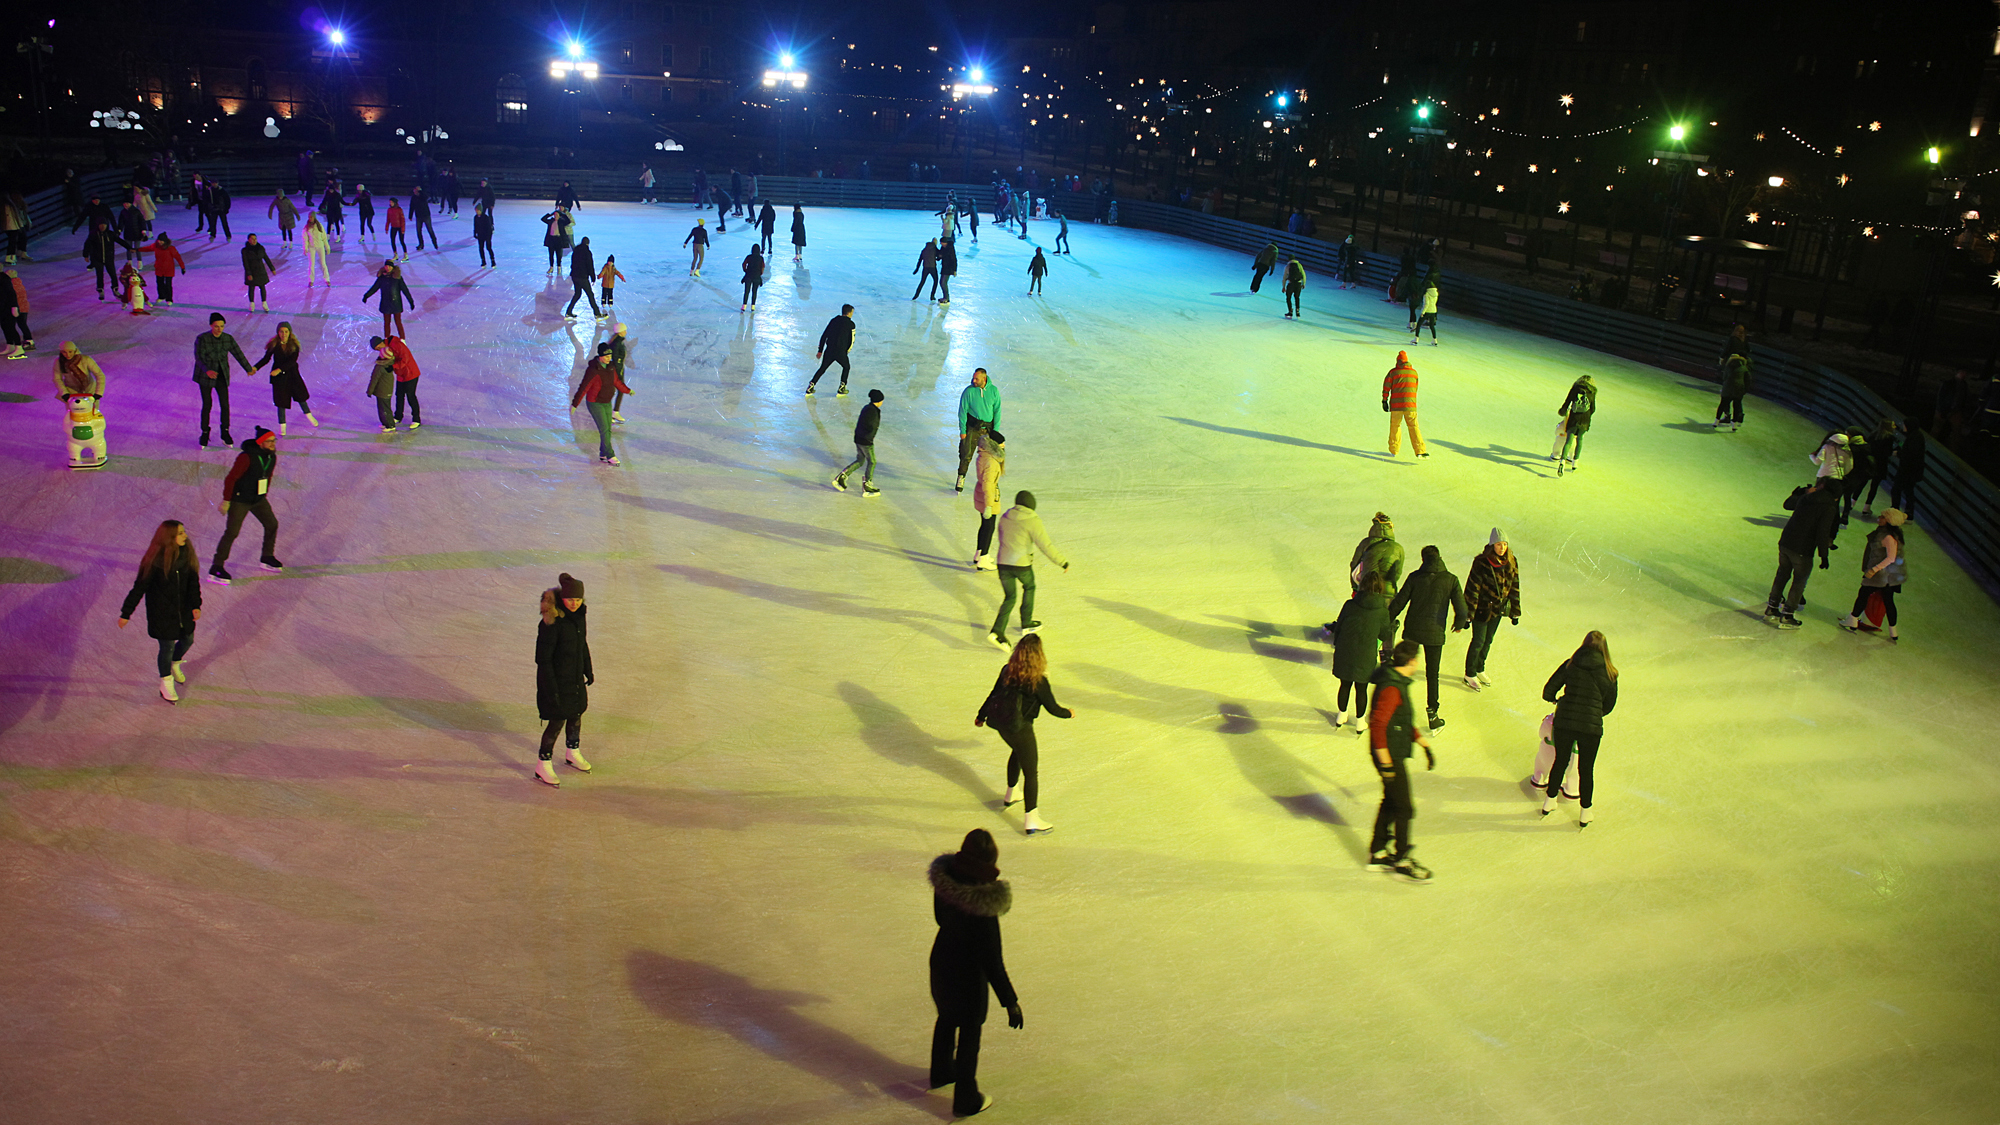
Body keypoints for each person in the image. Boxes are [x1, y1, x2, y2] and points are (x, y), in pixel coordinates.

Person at [926, 827, 1024, 1118]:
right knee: (970, 1035)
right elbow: (992, 960)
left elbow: (939, 918)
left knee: (945, 1018)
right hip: (968, 977)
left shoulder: (945, 884)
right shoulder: (983, 907)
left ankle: (941, 1071)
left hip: (942, 961)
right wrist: (1010, 1002)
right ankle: (966, 1098)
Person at [976, 633, 1073, 835]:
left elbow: (993, 694)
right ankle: (1032, 818)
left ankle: (1012, 792)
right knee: (1031, 772)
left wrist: (981, 716)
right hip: (1021, 728)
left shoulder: (1007, 671)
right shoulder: (1038, 681)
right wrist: (1069, 713)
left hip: (1002, 725)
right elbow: (1053, 708)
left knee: (1017, 752)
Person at [1367, 639, 1436, 881]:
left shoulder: (1395, 680)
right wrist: (1385, 761)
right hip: (1388, 754)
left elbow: (1402, 718)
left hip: (1391, 750)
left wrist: (1421, 741)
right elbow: (1377, 724)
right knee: (1404, 807)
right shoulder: (1392, 687)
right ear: (1412, 661)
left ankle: (1377, 852)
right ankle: (1402, 859)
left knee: (1391, 801)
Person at [1538, 631, 1619, 827]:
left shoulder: (1570, 664)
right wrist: (1593, 714)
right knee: (1586, 769)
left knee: (1560, 761)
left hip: (1565, 722)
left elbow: (1548, 690)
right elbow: (1608, 705)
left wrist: (1558, 702)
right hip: (1590, 728)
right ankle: (1586, 812)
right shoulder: (1610, 672)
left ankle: (1549, 802)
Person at [118, 520, 204, 704]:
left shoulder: (186, 554)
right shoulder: (154, 562)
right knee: (167, 647)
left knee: (188, 639)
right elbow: (138, 588)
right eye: (180, 533)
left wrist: (196, 605)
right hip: (162, 613)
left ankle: (175, 662)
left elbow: (193, 584)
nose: (185, 536)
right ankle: (166, 682)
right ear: (169, 538)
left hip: (183, 611)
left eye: (183, 532)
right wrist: (126, 613)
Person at [1386, 545, 1468, 731]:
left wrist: (1386, 620)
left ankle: (1396, 708)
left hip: (1413, 630)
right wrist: (1459, 623)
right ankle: (1433, 714)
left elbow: (1399, 602)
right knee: (1432, 674)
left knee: (1401, 669)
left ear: (1424, 559)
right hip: (1435, 633)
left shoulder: (1415, 577)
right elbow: (1462, 609)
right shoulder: (1451, 580)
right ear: (1439, 557)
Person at [533, 573, 595, 787]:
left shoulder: (578, 616)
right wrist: (550, 688)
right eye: (570, 600)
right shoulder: (552, 622)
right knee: (556, 721)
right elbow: (543, 659)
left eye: (578, 599)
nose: (574, 603)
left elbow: (581, 644)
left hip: (575, 678)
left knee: (576, 714)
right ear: (562, 599)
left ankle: (572, 751)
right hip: (556, 681)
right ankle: (543, 764)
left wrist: (588, 668)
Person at [989, 490, 1068, 648]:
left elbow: (1002, 537)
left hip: (1003, 563)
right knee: (1029, 586)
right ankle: (1026, 622)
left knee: (1010, 597)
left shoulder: (1005, 516)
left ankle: (997, 631)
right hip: (1021, 564)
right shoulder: (1032, 520)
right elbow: (1045, 545)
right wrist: (1062, 562)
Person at [208, 426, 283, 584]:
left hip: (258, 500)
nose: (272, 444)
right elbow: (231, 478)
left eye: (273, 441)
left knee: (272, 524)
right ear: (260, 442)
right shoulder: (246, 457)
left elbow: (267, 476)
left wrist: (263, 495)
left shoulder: (271, 457)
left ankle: (267, 557)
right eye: (269, 441)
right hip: (240, 500)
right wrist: (227, 500)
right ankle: (216, 567)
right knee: (232, 532)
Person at [1764, 476, 1839, 628]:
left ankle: (1772, 607)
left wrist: (1801, 492)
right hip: (1802, 549)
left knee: (1782, 574)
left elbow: (1788, 505)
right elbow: (1822, 532)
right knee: (1799, 581)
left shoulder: (1807, 497)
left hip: (1786, 542)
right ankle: (1788, 615)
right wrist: (1823, 555)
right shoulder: (1829, 506)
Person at [1331, 573, 1398, 733]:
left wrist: (1338, 644)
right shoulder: (1382, 611)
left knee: (1345, 684)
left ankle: (1342, 715)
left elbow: (1338, 627)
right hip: (1366, 653)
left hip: (1345, 651)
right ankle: (1360, 722)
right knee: (1361, 688)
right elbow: (1383, 635)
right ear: (1379, 588)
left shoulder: (1349, 605)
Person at [1461, 529, 1520, 691]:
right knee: (1478, 641)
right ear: (1492, 545)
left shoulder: (1511, 561)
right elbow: (1472, 589)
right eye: (1499, 544)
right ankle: (1469, 673)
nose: (1502, 548)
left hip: (1498, 610)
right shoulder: (1481, 562)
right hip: (1482, 609)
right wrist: (1468, 615)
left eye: (1505, 544)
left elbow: (1515, 586)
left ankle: (1480, 668)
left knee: (1488, 641)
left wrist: (1515, 611)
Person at [1838, 509, 1908, 642]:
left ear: (1889, 521)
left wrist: (1873, 570)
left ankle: (1852, 620)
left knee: (1863, 594)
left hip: (1880, 575)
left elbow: (1890, 558)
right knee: (1888, 601)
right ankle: (1893, 631)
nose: (1879, 518)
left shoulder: (1887, 537)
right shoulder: (1890, 534)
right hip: (1888, 576)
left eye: (1883, 517)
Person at [193, 313, 254, 448]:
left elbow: (238, 353)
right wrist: (207, 370)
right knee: (207, 405)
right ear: (211, 326)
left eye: (221, 326)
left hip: (221, 375)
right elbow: (198, 357)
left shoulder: (227, 338)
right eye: (216, 326)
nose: (219, 329)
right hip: (205, 376)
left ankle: (225, 432)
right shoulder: (202, 338)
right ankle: (204, 432)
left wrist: (248, 368)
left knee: (225, 405)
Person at [570, 340, 633, 465]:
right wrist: (575, 403)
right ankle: (610, 455)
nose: (610, 358)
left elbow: (617, 382)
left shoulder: (611, 367)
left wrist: (627, 390)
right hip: (595, 403)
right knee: (604, 429)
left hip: (606, 402)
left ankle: (603, 453)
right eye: (607, 356)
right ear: (600, 357)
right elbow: (584, 387)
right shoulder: (593, 370)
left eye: (610, 355)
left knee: (607, 429)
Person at [252, 321, 317, 435]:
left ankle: (310, 416)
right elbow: (266, 359)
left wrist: (279, 370)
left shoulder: (294, 345)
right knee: (281, 401)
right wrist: (255, 368)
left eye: (286, 331)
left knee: (301, 397)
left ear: (290, 332)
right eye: (281, 331)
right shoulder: (274, 345)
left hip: (292, 376)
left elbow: (292, 361)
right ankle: (282, 425)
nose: (284, 334)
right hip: (280, 379)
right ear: (278, 332)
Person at [956, 368, 1002, 492]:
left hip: (987, 430)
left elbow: (997, 411)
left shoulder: (994, 391)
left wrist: (995, 431)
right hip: (972, 427)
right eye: (973, 378)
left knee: (990, 458)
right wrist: (963, 430)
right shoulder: (969, 391)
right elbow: (962, 411)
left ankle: (992, 482)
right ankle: (961, 476)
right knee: (966, 454)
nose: (973, 380)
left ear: (984, 379)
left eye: (977, 379)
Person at [832, 389, 885, 496]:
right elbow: (870, 425)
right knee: (872, 462)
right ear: (879, 401)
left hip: (859, 439)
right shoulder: (873, 411)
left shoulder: (867, 408)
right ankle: (867, 485)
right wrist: (870, 436)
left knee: (860, 460)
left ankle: (842, 476)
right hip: (866, 441)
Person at [368, 333, 422, 430]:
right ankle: (398, 416)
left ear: (380, 344)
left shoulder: (397, 345)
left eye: (377, 348)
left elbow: (405, 359)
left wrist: (393, 367)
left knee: (410, 396)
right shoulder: (386, 348)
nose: (379, 351)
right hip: (400, 374)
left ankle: (416, 419)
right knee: (399, 395)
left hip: (411, 373)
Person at [971, 430, 1006, 569]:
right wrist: (989, 505)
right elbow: (988, 485)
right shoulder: (991, 462)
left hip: (982, 495)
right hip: (988, 498)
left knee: (984, 525)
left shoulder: (984, 455)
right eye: (1002, 446)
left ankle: (979, 553)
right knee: (989, 527)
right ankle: (984, 558)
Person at [1382, 350, 1427, 459]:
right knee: (1414, 426)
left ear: (1398, 361)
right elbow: (1415, 388)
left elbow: (1386, 387)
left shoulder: (1393, 372)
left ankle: (1394, 449)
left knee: (1395, 426)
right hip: (1410, 406)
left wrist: (1384, 400)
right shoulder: (1414, 373)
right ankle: (1420, 450)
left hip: (1396, 406)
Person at [805, 304, 856, 395]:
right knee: (846, 367)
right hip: (841, 351)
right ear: (849, 312)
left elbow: (824, 335)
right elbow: (852, 340)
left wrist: (820, 350)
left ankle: (811, 385)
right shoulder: (851, 324)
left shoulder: (834, 321)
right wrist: (847, 351)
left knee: (823, 368)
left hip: (829, 350)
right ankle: (842, 387)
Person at [1554, 374, 1596, 473]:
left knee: (1568, 441)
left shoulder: (1575, 389)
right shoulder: (1592, 392)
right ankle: (1575, 463)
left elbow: (1567, 402)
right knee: (1580, 440)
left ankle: (1562, 462)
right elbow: (1593, 408)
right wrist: (1587, 416)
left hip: (1574, 418)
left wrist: (1563, 411)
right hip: (1584, 420)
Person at [362, 261, 414, 339]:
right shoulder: (381, 278)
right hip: (385, 303)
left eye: (389, 266)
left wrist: (411, 301)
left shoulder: (397, 278)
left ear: (393, 267)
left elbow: (405, 290)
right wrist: (366, 296)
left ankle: (402, 339)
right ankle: (386, 339)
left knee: (398, 322)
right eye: (386, 266)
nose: (388, 268)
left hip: (396, 303)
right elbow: (374, 288)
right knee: (387, 323)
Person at [1889, 422, 1926, 520]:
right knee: (1907, 491)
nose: (1903, 427)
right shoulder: (1915, 437)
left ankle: (1895, 511)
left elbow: (1910, 454)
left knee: (1898, 490)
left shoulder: (1914, 438)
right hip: (1911, 471)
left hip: (1907, 471)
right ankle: (1907, 513)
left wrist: (1899, 453)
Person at [565, 236, 605, 320]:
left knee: (577, 294)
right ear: (588, 244)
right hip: (582, 277)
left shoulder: (575, 251)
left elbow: (572, 264)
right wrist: (593, 278)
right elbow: (590, 266)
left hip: (575, 276)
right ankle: (597, 314)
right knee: (590, 295)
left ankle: (568, 312)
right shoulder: (587, 252)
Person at [143, 233, 186, 306]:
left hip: (169, 269)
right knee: (160, 283)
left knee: (168, 284)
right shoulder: (155, 246)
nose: (159, 242)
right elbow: (147, 248)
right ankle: (161, 296)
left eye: (161, 241)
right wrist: (136, 249)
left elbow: (178, 258)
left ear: (165, 241)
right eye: (159, 240)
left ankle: (169, 299)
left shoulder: (171, 248)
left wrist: (182, 267)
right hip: (159, 268)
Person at [365, 338, 398, 432]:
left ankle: (390, 425)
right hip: (386, 390)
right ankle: (386, 423)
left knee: (384, 409)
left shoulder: (380, 367)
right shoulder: (390, 364)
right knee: (385, 408)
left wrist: (369, 391)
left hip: (382, 391)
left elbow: (374, 379)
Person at [235, 233, 273, 312]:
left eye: (255, 238)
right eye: (252, 239)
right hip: (252, 272)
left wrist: (272, 268)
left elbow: (266, 258)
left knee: (262, 287)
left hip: (261, 271)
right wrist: (249, 274)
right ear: (248, 240)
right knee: (251, 288)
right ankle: (252, 304)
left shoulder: (260, 248)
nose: (254, 240)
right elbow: (245, 263)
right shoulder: (245, 250)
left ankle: (264, 303)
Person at [1, 267, 31, 359]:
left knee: (10, 327)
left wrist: (15, 307)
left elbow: (12, 294)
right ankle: (10, 345)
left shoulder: (5, 279)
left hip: (8, 308)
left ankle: (18, 347)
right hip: (3, 308)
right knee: (5, 327)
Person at [85, 222, 119, 300]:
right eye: (101, 224)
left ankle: (115, 288)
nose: (103, 226)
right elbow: (87, 244)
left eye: (104, 224)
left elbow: (120, 241)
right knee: (99, 275)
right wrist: (86, 255)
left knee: (113, 274)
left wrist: (129, 248)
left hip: (108, 258)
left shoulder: (110, 234)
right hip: (97, 259)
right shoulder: (93, 235)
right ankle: (100, 290)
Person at [607, 322, 631, 423]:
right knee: (617, 391)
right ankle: (612, 412)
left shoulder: (617, 341)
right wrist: (618, 374)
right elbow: (616, 359)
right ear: (620, 332)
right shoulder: (617, 343)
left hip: (616, 370)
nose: (626, 332)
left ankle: (613, 412)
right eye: (624, 330)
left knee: (614, 392)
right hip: (616, 371)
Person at [1413, 279, 1440, 344]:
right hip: (1433, 311)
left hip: (1427, 311)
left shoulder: (1427, 294)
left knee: (1419, 324)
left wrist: (1423, 312)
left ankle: (1416, 338)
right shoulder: (1436, 293)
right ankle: (1434, 339)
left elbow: (1426, 304)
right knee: (1431, 326)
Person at [411, 186, 438, 251]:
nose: (414, 192)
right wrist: (410, 215)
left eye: (416, 191)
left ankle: (435, 243)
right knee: (418, 231)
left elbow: (426, 197)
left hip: (426, 215)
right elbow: (412, 206)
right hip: (418, 216)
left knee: (430, 230)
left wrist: (421, 192)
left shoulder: (423, 196)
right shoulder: (414, 197)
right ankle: (421, 244)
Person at [739, 245, 765, 312]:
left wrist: (746, 271)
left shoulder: (749, 257)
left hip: (749, 276)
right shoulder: (761, 258)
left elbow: (744, 264)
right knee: (754, 291)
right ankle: (753, 306)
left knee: (746, 291)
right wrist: (760, 273)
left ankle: (744, 306)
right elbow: (763, 267)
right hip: (756, 276)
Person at [939, 237, 957, 304]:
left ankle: (946, 298)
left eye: (942, 243)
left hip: (949, 268)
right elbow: (940, 255)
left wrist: (954, 270)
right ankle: (945, 297)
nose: (941, 244)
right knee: (942, 282)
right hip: (944, 267)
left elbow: (954, 259)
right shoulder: (943, 247)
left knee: (943, 283)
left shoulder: (950, 249)